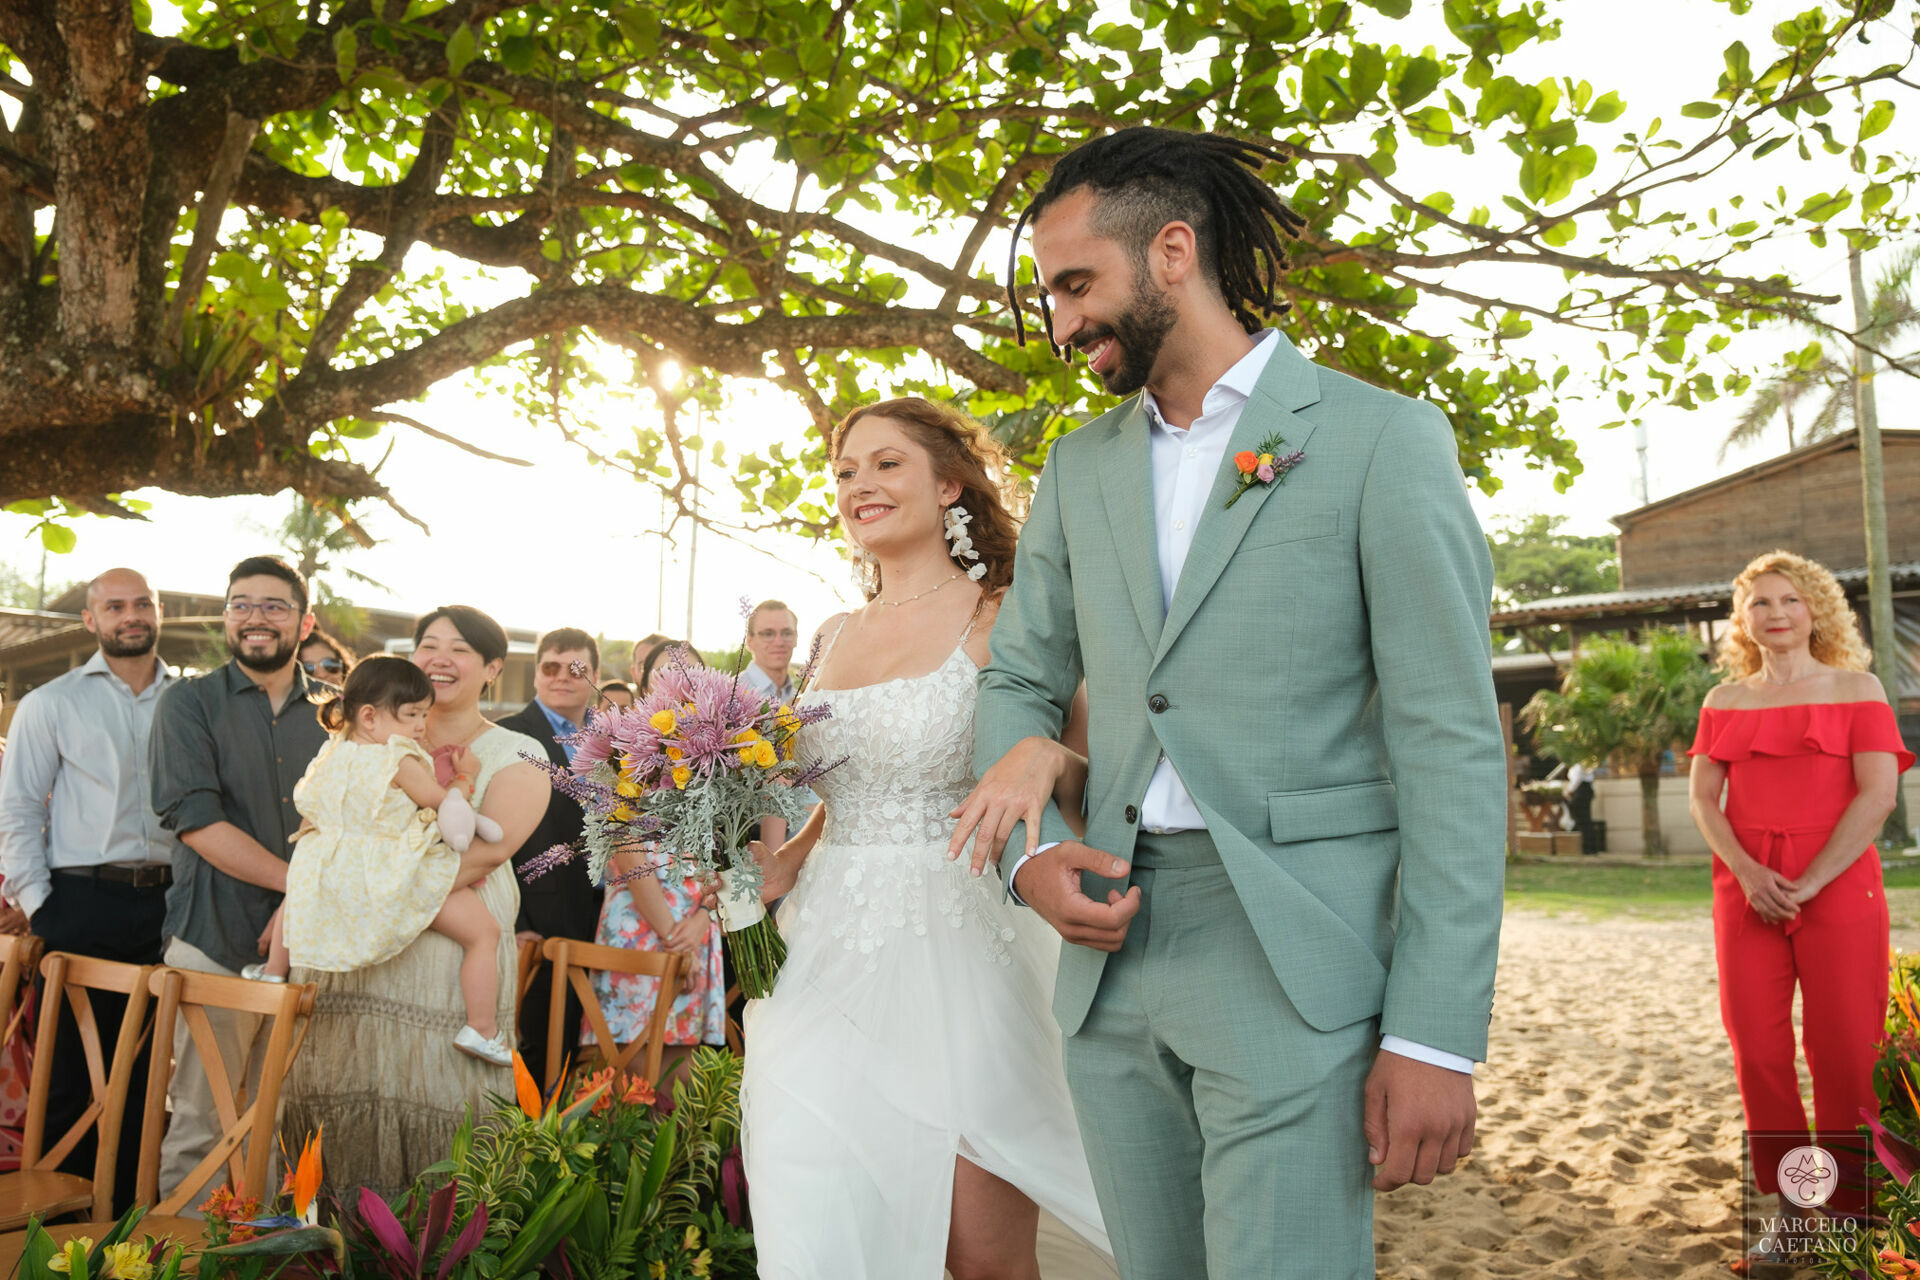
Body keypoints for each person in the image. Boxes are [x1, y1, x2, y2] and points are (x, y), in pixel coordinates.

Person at [967, 127, 1505, 1279]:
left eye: (1075, 284)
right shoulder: (1077, 465)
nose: (1061, 324)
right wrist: (1034, 854)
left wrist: (1432, 1030)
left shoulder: (1381, 440)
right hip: (1108, 952)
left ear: (1172, 251)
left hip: (1293, 952)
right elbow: (1018, 675)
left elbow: (1451, 746)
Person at [742, 398, 1111, 1279]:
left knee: (978, 1252)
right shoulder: (831, 635)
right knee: (820, 1208)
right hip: (826, 949)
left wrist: (1045, 753)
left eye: (885, 464)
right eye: (844, 472)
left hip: (960, 944)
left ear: (949, 483)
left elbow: (1095, 760)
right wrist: (786, 857)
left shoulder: (1007, 612)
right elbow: (849, 784)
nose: (858, 485)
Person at [280, 605, 547, 1197]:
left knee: (445, 1114)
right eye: (430, 644)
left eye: (460, 649)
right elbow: (321, 833)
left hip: (443, 965)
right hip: (350, 963)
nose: (440, 659)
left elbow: (483, 854)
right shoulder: (357, 743)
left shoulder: (519, 751)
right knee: (338, 1105)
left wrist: (367, 890)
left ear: (492, 669)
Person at [1688, 550, 1912, 1242]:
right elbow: (1703, 799)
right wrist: (1752, 875)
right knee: (1757, 1049)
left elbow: (1879, 795)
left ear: (1816, 611)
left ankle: (1849, 1214)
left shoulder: (1858, 689)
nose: (1776, 614)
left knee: (1844, 1046)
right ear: (1743, 620)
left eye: (1790, 600)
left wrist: (1811, 881)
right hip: (1747, 888)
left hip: (1838, 884)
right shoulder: (1723, 701)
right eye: (1761, 603)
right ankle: (1791, 1216)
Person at [149, 555, 332, 1207]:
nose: (256, 617)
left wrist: (304, 901)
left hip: (313, 953)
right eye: (240, 604)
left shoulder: (338, 720)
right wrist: (300, 888)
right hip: (215, 942)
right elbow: (196, 821)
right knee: (202, 1124)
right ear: (226, 617)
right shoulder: (187, 703)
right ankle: (179, 1261)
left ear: (304, 622)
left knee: (279, 1127)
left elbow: (349, 831)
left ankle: (259, 1259)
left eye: (274, 605)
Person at [0, 569, 173, 1210]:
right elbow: (16, 809)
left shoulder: (188, 702)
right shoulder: (53, 702)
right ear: (90, 621)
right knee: (71, 1072)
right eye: (115, 606)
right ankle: (58, 1223)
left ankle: (128, 1218)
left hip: (170, 906)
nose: (131, 615)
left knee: (150, 1073)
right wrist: (43, 905)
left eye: (142, 604)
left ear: (158, 613)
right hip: (82, 903)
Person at [244, 656, 511, 1066]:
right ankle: (482, 1029)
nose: (422, 725)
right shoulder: (397, 757)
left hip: (330, 862)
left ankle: (274, 971)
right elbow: (443, 805)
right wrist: (464, 776)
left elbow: (311, 812)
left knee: (299, 889)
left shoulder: (330, 753)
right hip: (390, 870)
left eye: (424, 714)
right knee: (484, 933)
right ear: (369, 716)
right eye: (413, 715)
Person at [582, 643, 725, 1082]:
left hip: (696, 924)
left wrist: (704, 916)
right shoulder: (619, 752)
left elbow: (727, 850)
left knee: (681, 1079)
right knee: (626, 1073)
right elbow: (624, 845)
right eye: (666, 674)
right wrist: (670, 935)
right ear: (645, 684)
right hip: (643, 924)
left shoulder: (723, 754)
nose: (680, 683)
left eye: (691, 676)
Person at [499, 627, 604, 1085]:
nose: (563, 677)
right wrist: (517, 922)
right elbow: (498, 838)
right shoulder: (507, 737)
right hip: (539, 920)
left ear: (595, 675)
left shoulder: (616, 739)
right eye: (551, 668)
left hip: (610, 917)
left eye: (576, 669)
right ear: (537, 675)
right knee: (542, 1052)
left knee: (600, 1053)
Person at [741, 600, 803, 852]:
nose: (779, 641)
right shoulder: (734, 696)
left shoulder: (807, 694)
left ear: (796, 637)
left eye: (786, 632)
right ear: (749, 640)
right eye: (768, 633)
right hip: (752, 840)